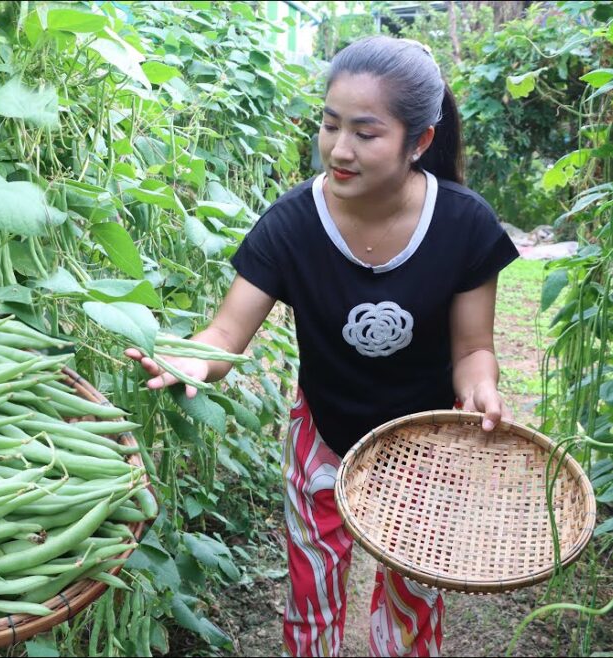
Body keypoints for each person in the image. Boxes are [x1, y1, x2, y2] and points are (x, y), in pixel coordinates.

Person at [126, 35, 519, 657]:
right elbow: (226, 333)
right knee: (311, 596)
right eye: (330, 125)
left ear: (419, 142)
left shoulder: (464, 225)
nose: (339, 149)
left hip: (425, 442)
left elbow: (473, 349)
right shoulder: (292, 225)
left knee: (413, 601)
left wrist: (481, 389)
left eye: (366, 133)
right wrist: (191, 360)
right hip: (322, 432)